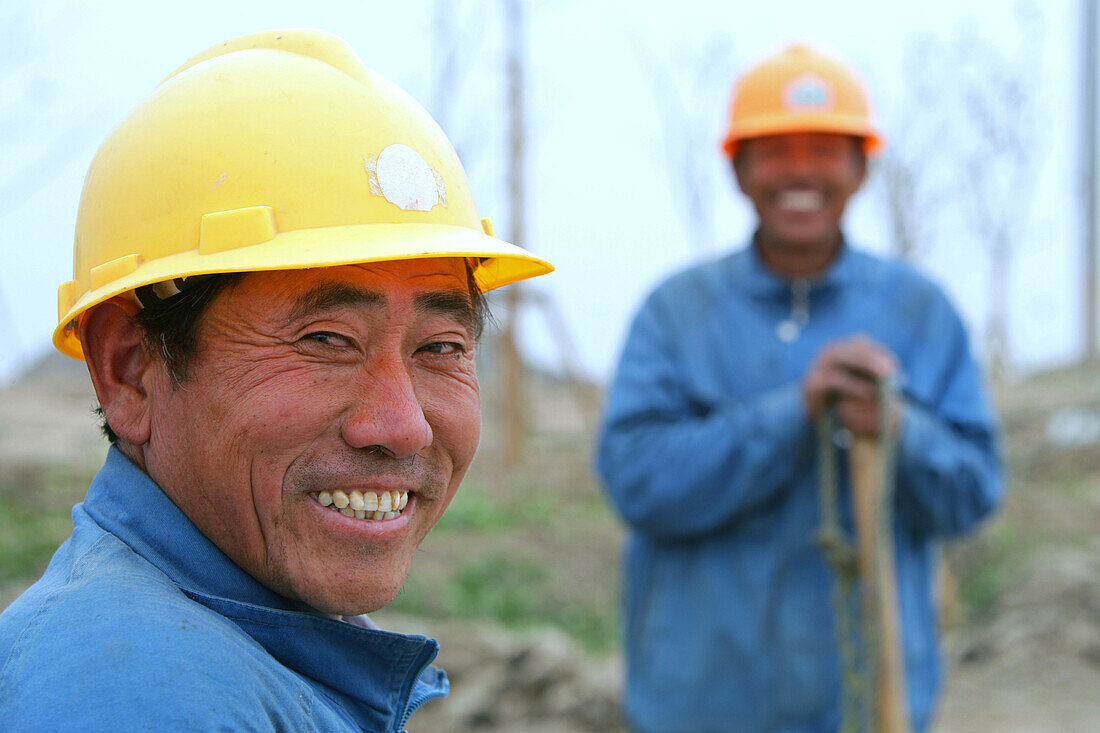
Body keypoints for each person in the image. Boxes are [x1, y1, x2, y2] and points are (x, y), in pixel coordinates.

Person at [0, 30, 551, 731]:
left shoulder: (250, 646)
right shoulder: (137, 692)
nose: (403, 424)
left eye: (441, 346)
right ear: (129, 368)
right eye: (327, 340)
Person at [596, 44, 1002, 733]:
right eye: (777, 150)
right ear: (739, 168)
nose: (802, 171)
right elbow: (637, 480)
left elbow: (972, 493)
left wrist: (900, 428)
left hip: (864, 705)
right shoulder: (679, 313)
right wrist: (795, 412)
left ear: (862, 167)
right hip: (699, 705)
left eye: (824, 149)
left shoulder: (918, 313)